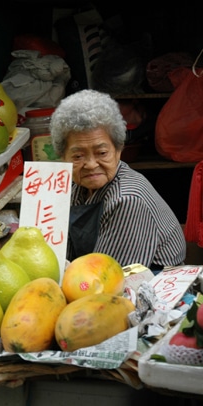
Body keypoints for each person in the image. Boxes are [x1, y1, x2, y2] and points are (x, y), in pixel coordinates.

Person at [49, 89, 186, 270]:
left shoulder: (127, 199)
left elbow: (108, 277)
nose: (90, 164)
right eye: (78, 156)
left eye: (102, 153)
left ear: (118, 150)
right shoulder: (75, 186)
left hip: (149, 284)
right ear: (63, 157)